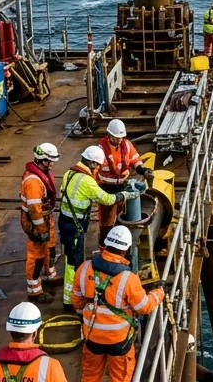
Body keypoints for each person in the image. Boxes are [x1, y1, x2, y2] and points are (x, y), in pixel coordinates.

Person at [71, 226, 164, 382]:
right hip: (118, 341)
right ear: (125, 251)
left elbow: (76, 300)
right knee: (120, 379)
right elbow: (144, 307)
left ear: (105, 245)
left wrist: (86, 314)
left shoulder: (85, 268)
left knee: (90, 376)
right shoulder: (129, 279)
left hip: (92, 337)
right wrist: (158, 294)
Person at [58, 146, 145, 309]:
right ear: (91, 163)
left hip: (65, 222)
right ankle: (71, 301)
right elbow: (106, 199)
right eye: (97, 165)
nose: (98, 168)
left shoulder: (69, 173)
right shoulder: (87, 181)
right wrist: (126, 195)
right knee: (74, 263)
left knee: (70, 258)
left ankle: (70, 298)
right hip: (75, 226)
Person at [20, 143, 61, 303]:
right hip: (35, 222)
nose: (52, 165)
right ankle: (34, 291)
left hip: (45, 218)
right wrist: (41, 229)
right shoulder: (32, 182)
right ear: (42, 160)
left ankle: (50, 276)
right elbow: (34, 210)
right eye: (50, 161)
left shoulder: (42, 175)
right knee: (36, 256)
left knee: (50, 247)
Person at [97, 119, 150, 231]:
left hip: (122, 186)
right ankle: (105, 242)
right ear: (109, 135)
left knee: (122, 216)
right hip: (107, 188)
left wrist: (143, 170)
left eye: (120, 137)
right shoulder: (101, 150)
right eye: (116, 137)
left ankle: (119, 236)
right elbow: (95, 171)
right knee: (106, 221)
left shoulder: (127, 145)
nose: (119, 140)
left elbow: (135, 160)